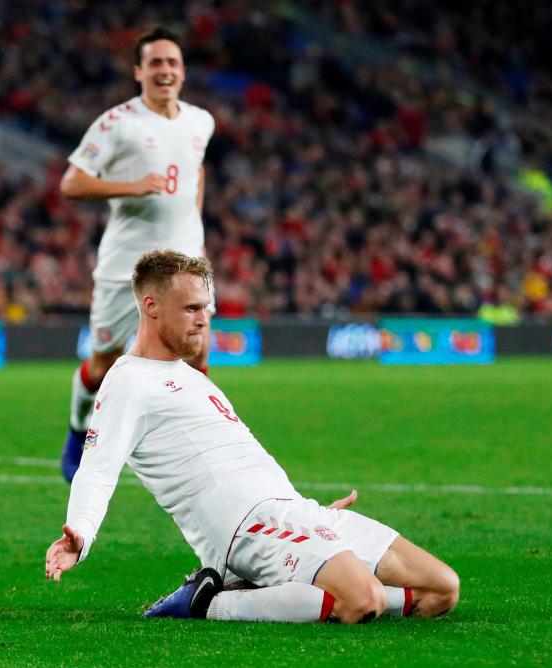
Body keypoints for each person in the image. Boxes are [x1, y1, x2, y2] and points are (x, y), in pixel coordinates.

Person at [45, 250, 460, 624]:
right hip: (247, 527)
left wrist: (299, 510)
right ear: (150, 307)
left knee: (443, 589)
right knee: (361, 601)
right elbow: (96, 469)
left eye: (205, 308)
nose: (203, 319)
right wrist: (80, 535)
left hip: (294, 512)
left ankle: (295, 585)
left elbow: (239, 458)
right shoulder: (128, 382)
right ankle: (208, 603)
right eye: (190, 309)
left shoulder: (191, 378)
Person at [58, 26, 216, 483]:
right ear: (139, 72)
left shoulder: (200, 121)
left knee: (197, 355)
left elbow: (195, 172)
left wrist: (196, 229)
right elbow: (72, 183)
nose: (165, 71)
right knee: (103, 362)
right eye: (156, 63)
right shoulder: (117, 124)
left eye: (172, 63)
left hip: (187, 260)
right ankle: (77, 431)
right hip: (125, 266)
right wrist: (130, 187)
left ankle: (199, 451)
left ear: (183, 72)